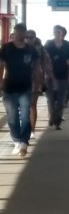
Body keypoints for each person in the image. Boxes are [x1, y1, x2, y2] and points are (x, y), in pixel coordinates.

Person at [0, 23, 39, 157]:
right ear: (14, 32)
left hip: (25, 88)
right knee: (12, 117)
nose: (21, 34)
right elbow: (1, 66)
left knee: (25, 115)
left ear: (25, 33)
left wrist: (37, 86)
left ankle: (24, 141)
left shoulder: (31, 50)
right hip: (9, 88)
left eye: (23, 32)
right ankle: (17, 140)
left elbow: (36, 69)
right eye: (18, 31)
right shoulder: (6, 48)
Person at [44, 25, 69, 129]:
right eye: (55, 31)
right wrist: (47, 74)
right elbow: (44, 61)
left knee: (61, 101)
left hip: (63, 76)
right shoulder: (48, 45)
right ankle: (53, 116)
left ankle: (57, 122)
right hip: (49, 76)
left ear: (63, 33)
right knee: (50, 99)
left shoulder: (68, 46)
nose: (56, 33)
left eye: (58, 31)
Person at [26, 31, 54, 140]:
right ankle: (26, 128)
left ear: (35, 37)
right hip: (20, 80)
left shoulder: (40, 49)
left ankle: (32, 130)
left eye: (30, 37)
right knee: (23, 107)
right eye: (26, 37)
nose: (28, 39)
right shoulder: (19, 48)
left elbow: (47, 63)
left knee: (32, 105)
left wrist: (48, 76)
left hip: (36, 80)